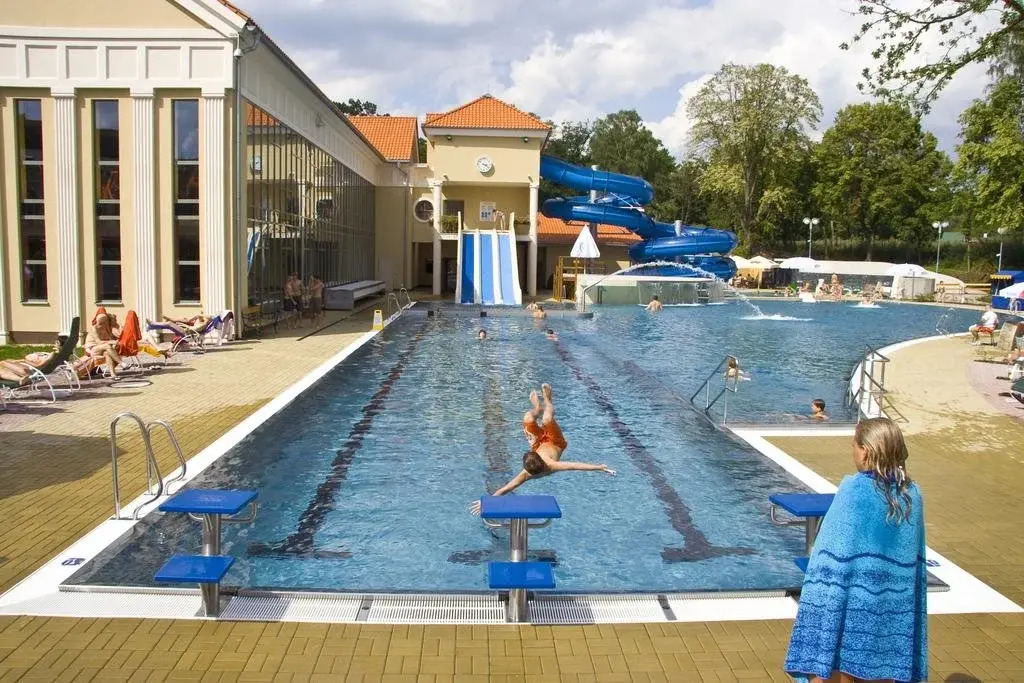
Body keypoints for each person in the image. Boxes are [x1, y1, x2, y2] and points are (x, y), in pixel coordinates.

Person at [785, 417, 927, 683]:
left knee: (833, 668)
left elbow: (830, 553)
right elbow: (912, 556)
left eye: (854, 445)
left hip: (852, 602)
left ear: (866, 451)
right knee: (884, 669)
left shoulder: (854, 490)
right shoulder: (911, 494)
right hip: (893, 604)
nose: (852, 450)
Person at [469, 384, 615, 513]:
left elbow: (506, 489)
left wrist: (599, 468)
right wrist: (599, 467)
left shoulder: (544, 465)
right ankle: (544, 403)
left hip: (538, 444)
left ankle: (543, 403)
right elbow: (575, 466)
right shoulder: (540, 469)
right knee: (546, 419)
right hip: (556, 442)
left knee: (528, 418)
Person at [85, 310, 122, 379]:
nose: (106, 323)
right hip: (92, 349)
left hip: (102, 349)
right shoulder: (94, 328)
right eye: (105, 321)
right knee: (107, 346)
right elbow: (98, 341)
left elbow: (114, 337)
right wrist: (111, 341)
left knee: (107, 353)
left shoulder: (106, 328)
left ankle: (113, 374)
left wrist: (118, 326)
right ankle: (121, 363)